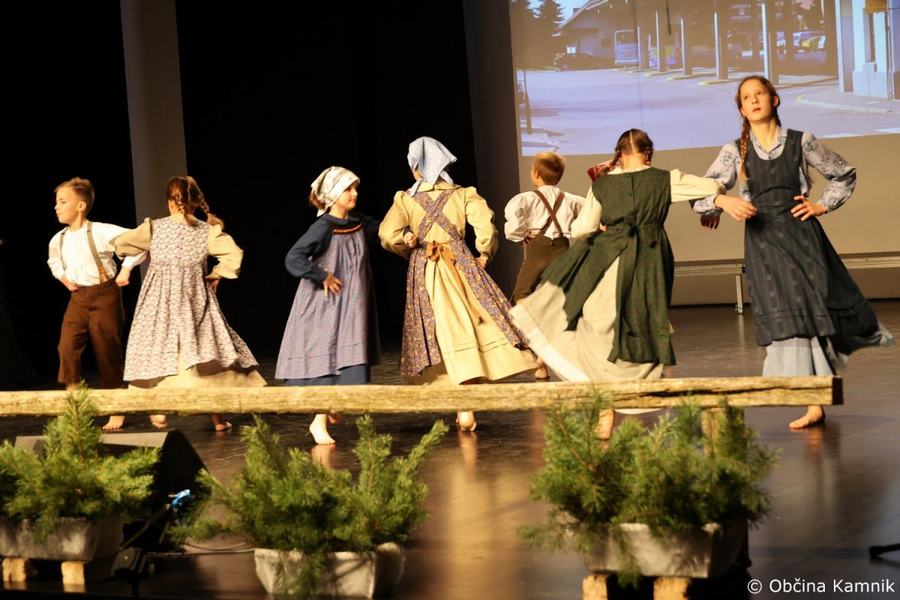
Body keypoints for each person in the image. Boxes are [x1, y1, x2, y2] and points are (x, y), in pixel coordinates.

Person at [694, 75, 894, 430]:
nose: (754, 100)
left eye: (760, 93)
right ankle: (812, 400)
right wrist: (723, 202)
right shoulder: (734, 151)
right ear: (741, 110)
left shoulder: (803, 141)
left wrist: (821, 206)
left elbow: (844, 174)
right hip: (763, 242)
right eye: (746, 97)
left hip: (801, 235)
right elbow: (699, 195)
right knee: (786, 317)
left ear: (774, 100)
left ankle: (815, 398)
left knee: (811, 311)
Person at [509, 129, 723, 438]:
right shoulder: (664, 179)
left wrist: (605, 226)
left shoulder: (603, 184)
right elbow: (711, 185)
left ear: (619, 154)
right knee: (639, 326)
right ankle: (631, 393)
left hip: (608, 259)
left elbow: (581, 229)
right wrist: (714, 199)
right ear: (648, 153)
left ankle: (605, 405)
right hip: (648, 262)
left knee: (600, 327)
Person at [379, 136, 537, 432]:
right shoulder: (463, 194)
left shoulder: (406, 199)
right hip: (462, 266)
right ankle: (467, 403)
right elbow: (486, 226)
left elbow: (388, 234)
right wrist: (484, 254)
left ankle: (463, 406)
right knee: (474, 323)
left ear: (417, 167)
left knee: (442, 331)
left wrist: (407, 242)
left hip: (427, 271)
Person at [116, 176, 265, 430]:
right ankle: (217, 417)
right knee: (207, 349)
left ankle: (158, 405)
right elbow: (234, 254)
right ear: (195, 202)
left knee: (158, 346)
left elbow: (123, 243)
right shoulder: (207, 231)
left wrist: (139, 254)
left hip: (159, 301)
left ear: (169, 203)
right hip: (193, 300)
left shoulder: (155, 228)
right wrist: (218, 273)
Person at [275, 166, 380, 445]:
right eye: (348, 189)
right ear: (333, 195)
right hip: (325, 307)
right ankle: (318, 421)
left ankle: (331, 407)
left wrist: (404, 233)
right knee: (327, 360)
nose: (354, 194)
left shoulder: (358, 221)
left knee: (345, 360)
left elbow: (382, 231)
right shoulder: (323, 227)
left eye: (355, 188)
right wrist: (322, 276)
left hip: (351, 307)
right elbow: (294, 257)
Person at [47, 177, 144, 430]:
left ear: (80, 206)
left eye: (63, 202)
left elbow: (139, 242)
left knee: (106, 350)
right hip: (78, 298)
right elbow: (53, 261)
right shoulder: (58, 239)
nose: (56, 207)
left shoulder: (101, 231)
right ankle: (76, 403)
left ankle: (116, 409)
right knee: (67, 347)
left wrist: (126, 269)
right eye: (56, 202)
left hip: (105, 295)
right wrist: (63, 277)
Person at [504, 151, 584, 380]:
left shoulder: (525, 199)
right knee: (560, 301)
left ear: (536, 174)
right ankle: (550, 355)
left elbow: (513, 228)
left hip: (537, 251)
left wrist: (522, 234)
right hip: (562, 251)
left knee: (521, 297)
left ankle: (540, 354)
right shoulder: (572, 199)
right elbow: (586, 220)